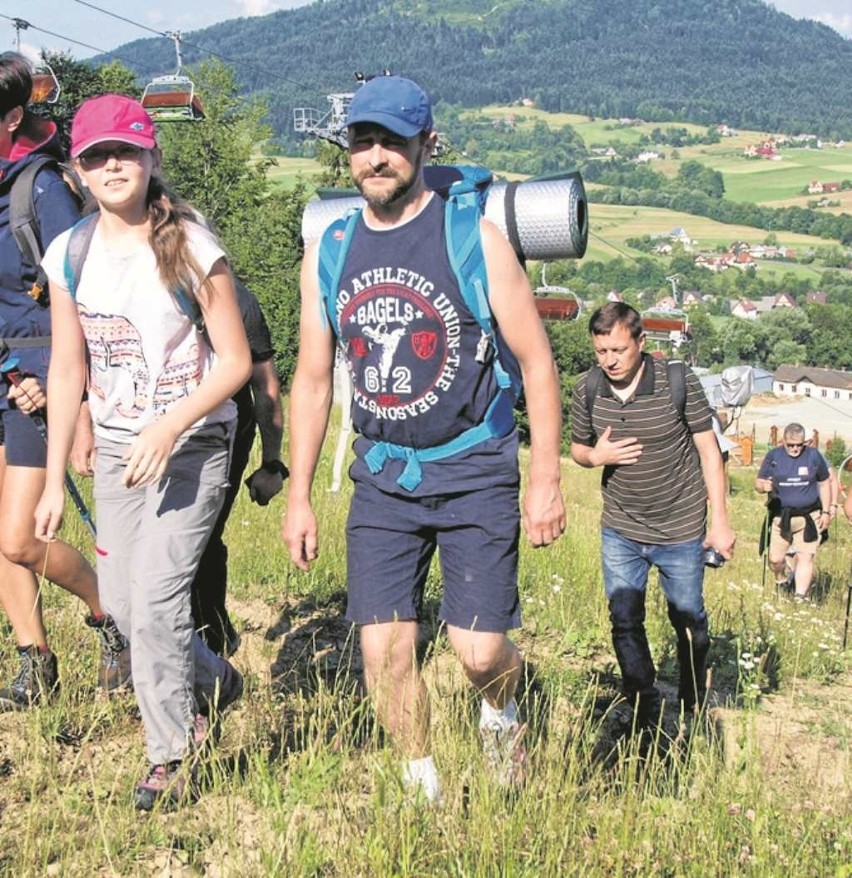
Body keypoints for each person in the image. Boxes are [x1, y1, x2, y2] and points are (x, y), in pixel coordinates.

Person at [282, 75, 565, 803]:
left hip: (473, 468)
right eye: (362, 141)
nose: (375, 157)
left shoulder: (473, 237)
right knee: (384, 652)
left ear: (425, 146)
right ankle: (423, 789)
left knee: (477, 653)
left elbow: (537, 362)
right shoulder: (330, 250)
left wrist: (545, 481)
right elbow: (312, 381)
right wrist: (301, 495)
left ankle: (501, 711)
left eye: (393, 143)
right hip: (382, 478)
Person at [34, 94, 251, 810]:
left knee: (157, 606)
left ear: (152, 157)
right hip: (123, 452)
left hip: (193, 445)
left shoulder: (189, 244)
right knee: (124, 610)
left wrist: (170, 426)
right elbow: (68, 368)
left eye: (126, 151)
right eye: (97, 155)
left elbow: (236, 362)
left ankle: (172, 755)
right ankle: (213, 680)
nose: (113, 165)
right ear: (79, 170)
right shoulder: (71, 252)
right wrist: (56, 477)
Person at [0, 52, 129, 710]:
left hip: (39, 368)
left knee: (19, 537)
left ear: (14, 117)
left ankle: (112, 618)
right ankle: (35, 662)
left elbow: (82, 289)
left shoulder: (41, 187)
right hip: (1, 367)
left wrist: (67, 390)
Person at [70, 278, 287, 657]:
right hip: (135, 431)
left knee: (196, 540)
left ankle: (209, 640)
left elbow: (265, 386)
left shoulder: (236, 300)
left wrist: (272, 464)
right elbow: (91, 355)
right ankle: (158, 644)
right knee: (134, 547)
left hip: (217, 434)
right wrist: (82, 423)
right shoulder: (118, 287)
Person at [570, 303, 735, 732]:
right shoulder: (588, 388)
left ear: (642, 343)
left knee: (687, 617)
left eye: (619, 350)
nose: (609, 361)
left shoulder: (677, 381)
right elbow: (577, 448)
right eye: (601, 351)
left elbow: (708, 452)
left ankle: (693, 699)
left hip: (680, 528)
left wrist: (719, 521)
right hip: (621, 528)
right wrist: (595, 456)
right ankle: (643, 701)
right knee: (624, 618)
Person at [754, 423, 831, 601]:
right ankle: (782, 581)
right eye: (791, 445)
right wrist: (763, 486)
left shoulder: (813, 456)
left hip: (809, 516)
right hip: (781, 517)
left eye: (799, 445)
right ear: (783, 441)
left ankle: (799, 598)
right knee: (775, 559)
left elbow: (825, 483)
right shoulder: (774, 456)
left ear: (804, 442)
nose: (795, 449)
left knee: (806, 556)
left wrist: (826, 512)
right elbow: (758, 482)